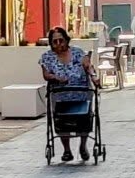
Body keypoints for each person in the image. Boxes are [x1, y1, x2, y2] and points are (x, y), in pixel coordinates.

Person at [39, 26, 95, 163]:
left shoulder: (77, 52)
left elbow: (88, 66)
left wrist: (94, 76)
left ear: (66, 40)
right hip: (60, 95)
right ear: (51, 43)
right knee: (62, 120)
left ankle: (82, 146)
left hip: (81, 93)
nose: (59, 44)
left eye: (61, 40)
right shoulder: (47, 57)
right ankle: (67, 150)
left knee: (84, 119)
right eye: (55, 42)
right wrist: (56, 78)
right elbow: (46, 75)